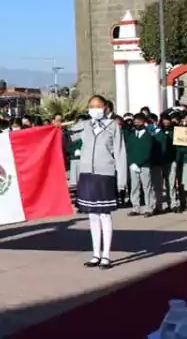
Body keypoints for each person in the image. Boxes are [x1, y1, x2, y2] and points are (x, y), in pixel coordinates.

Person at [71, 95, 126, 270]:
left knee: (104, 214)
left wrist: (122, 181)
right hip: (87, 174)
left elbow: (120, 153)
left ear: (105, 108)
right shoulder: (85, 126)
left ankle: (106, 255)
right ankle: (96, 254)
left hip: (105, 174)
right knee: (92, 215)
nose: (94, 109)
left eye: (98, 106)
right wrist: (57, 130)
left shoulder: (113, 127)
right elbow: (68, 139)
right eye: (91, 106)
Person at [126, 112, 156, 217]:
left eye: (139, 121)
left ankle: (149, 208)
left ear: (144, 122)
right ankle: (135, 207)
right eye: (135, 121)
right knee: (134, 186)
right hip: (133, 166)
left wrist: (139, 163)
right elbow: (129, 150)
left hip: (145, 165)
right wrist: (132, 163)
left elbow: (148, 151)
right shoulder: (131, 135)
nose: (137, 122)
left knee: (147, 187)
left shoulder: (148, 135)